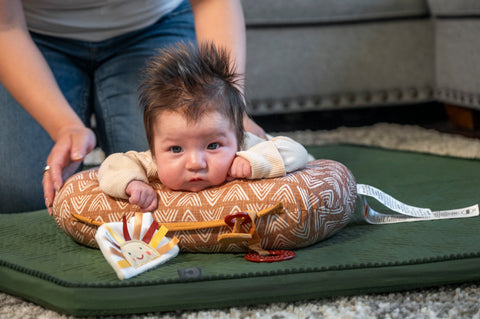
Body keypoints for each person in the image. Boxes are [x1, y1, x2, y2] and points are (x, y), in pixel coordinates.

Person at [0, 0, 265, 214]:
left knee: (165, 175)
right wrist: (63, 127)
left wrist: (230, 110)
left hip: (154, 27)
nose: (197, 163)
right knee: (21, 194)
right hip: (33, 37)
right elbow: (6, 27)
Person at [98, 42, 309, 212]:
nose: (195, 163)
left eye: (213, 145)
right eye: (176, 149)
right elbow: (111, 165)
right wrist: (133, 183)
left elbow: (297, 152)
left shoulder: (246, 146)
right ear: (153, 147)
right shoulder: (152, 161)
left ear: (237, 137)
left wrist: (254, 161)